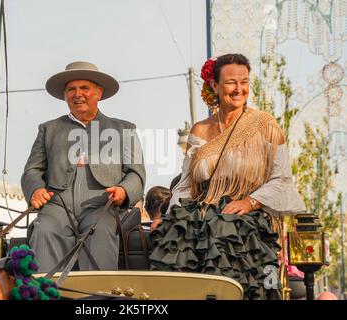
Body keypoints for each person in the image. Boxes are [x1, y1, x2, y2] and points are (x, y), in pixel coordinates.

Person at [149, 54, 306, 300]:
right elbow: (186, 184)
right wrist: (169, 217)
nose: (239, 89)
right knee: (172, 237)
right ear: (215, 85)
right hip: (201, 214)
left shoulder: (265, 124)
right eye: (232, 82)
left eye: (244, 82)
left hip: (249, 216)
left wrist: (249, 202)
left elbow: (282, 179)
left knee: (224, 225)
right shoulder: (199, 130)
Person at [21, 61, 146, 272]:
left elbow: (136, 172)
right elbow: (32, 170)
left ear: (98, 92)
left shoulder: (123, 128)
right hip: (57, 205)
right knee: (45, 230)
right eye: (71, 89)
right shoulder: (49, 129)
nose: (77, 94)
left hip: (102, 205)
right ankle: (46, 294)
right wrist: (35, 189)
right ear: (65, 95)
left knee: (101, 233)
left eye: (84, 88)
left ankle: (100, 300)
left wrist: (124, 190)